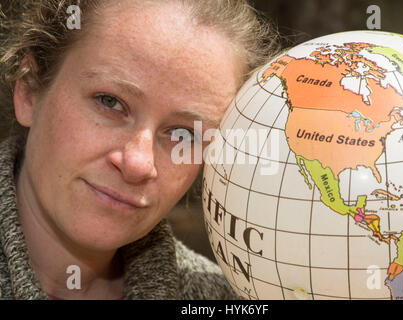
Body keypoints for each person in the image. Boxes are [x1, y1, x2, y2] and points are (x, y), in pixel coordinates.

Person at [0, 0, 280, 299]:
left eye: (183, 134)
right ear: (29, 89)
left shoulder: (223, 299)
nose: (137, 163)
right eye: (109, 102)